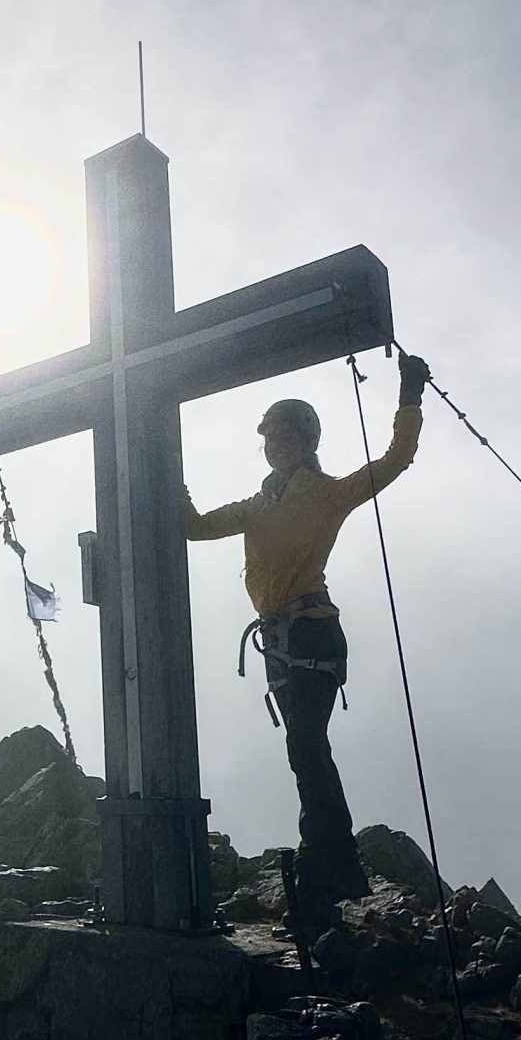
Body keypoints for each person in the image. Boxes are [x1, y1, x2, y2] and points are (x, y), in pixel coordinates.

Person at [184, 351, 431, 932]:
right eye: (270, 437)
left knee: (306, 747)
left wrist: (409, 399)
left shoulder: (324, 493)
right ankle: (329, 870)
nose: (276, 445)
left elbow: (397, 459)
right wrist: (168, 472)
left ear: (308, 442)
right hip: (282, 640)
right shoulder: (257, 504)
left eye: (287, 436)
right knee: (305, 750)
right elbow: (194, 527)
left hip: (311, 630)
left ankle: (332, 867)